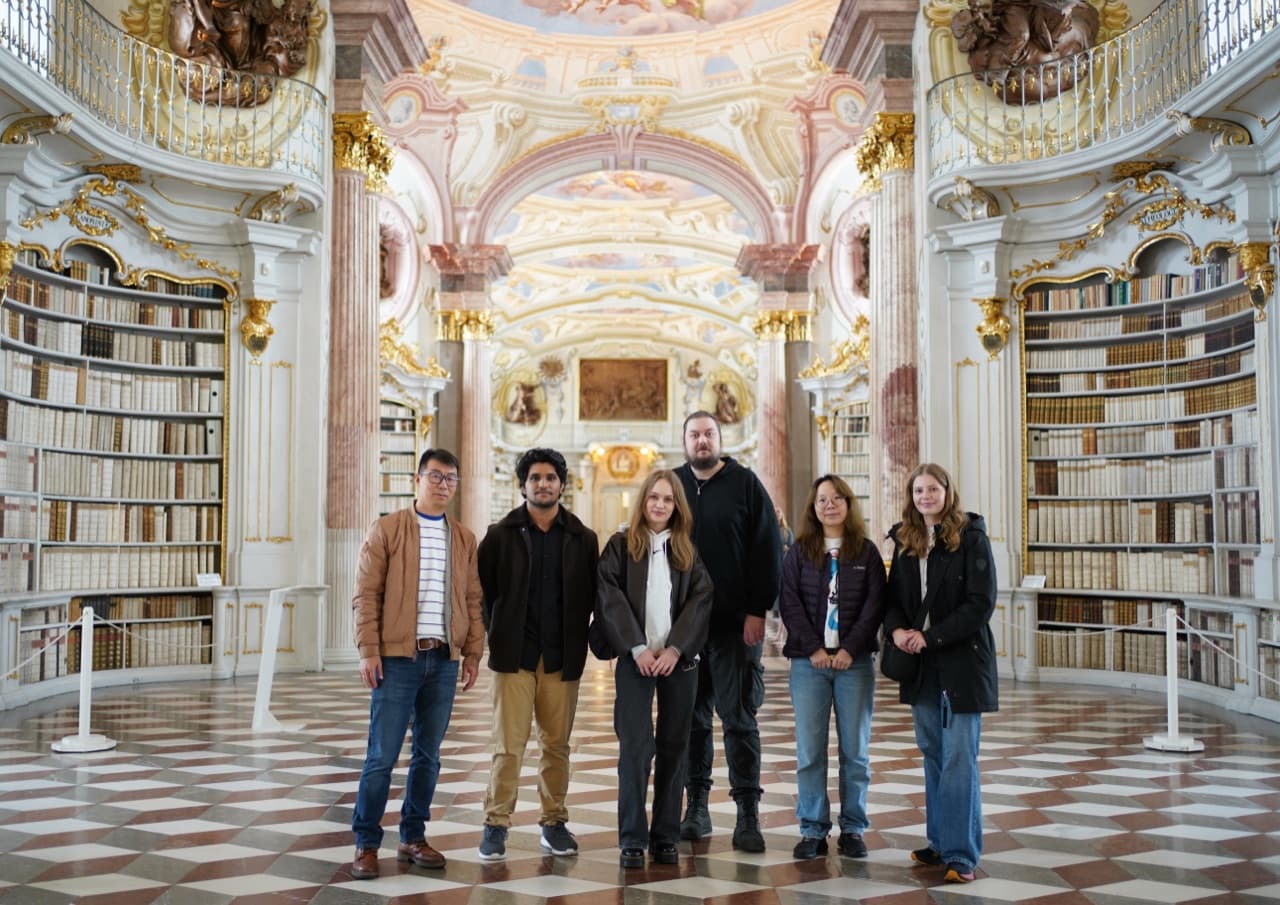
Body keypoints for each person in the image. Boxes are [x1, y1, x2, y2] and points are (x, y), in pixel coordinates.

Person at [349, 448, 484, 880]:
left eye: (451, 479)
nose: (444, 485)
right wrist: (368, 649)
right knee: (382, 756)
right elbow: (366, 594)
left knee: (428, 756)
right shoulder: (387, 529)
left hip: (442, 660)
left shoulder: (463, 538)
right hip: (396, 660)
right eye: (436, 476)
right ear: (418, 479)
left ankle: (413, 836)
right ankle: (366, 843)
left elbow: (473, 599)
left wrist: (473, 653)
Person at [476, 447, 599, 861]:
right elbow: (483, 592)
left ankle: (554, 822)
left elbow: (593, 595)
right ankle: (495, 824)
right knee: (508, 746)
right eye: (535, 478)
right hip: (514, 657)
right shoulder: (499, 535)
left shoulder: (584, 539)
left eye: (550, 477)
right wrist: (497, 632)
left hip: (562, 658)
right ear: (523, 485)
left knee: (556, 746)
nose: (543, 484)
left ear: (562, 485)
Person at [881, 463, 998, 884]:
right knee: (933, 753)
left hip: (962, 661)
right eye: (918, 491)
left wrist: (930, 637)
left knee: (960, 758)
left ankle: (961, 854)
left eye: (933, 489)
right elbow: (893, 600)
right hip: (922, 666)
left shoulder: (971, 537)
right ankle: (939, 841)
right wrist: (896, 631)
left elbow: (980, 604)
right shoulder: (906, 540)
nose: (925, 497)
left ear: (948, 492)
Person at [674, 411, 782, 851]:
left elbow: (767, 548)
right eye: (694, 435)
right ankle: (696, 808)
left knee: (739, 720)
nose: (702, 441)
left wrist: (758, 610)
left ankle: (747, 815)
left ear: (720, 439)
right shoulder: (673, 484)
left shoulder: (746, 484)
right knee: (692, 722)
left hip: (735, 626)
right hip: (684, 630)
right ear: (684, 441)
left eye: (709, 434)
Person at [596, 469, 713, 868]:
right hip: (636, 660)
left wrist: (676, 649)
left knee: (675, 746)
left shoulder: (686, 550)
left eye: (667, 499)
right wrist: (637, 647)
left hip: (677, 661)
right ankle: (632, 837)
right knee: (635, 747)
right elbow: (608, 596)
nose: (660, 505)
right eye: (653, 497)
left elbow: (701, 598)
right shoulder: (620, 546)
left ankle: (665, 836)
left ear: (677, 506)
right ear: (643, 501)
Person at [779, 475, 885, 861]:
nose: (830, 505)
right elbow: (789, 602)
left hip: (854, 665)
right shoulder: (799, 552)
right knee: (810, 752)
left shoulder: (866, 552)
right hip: (809, 665)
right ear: (813, 507)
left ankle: (853, 828)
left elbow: (875, 605)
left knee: (855, 752)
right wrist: (813, 649)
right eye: (822, 499)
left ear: (848, 504)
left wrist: (850, 650)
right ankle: (812, 829)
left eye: (838, 498)